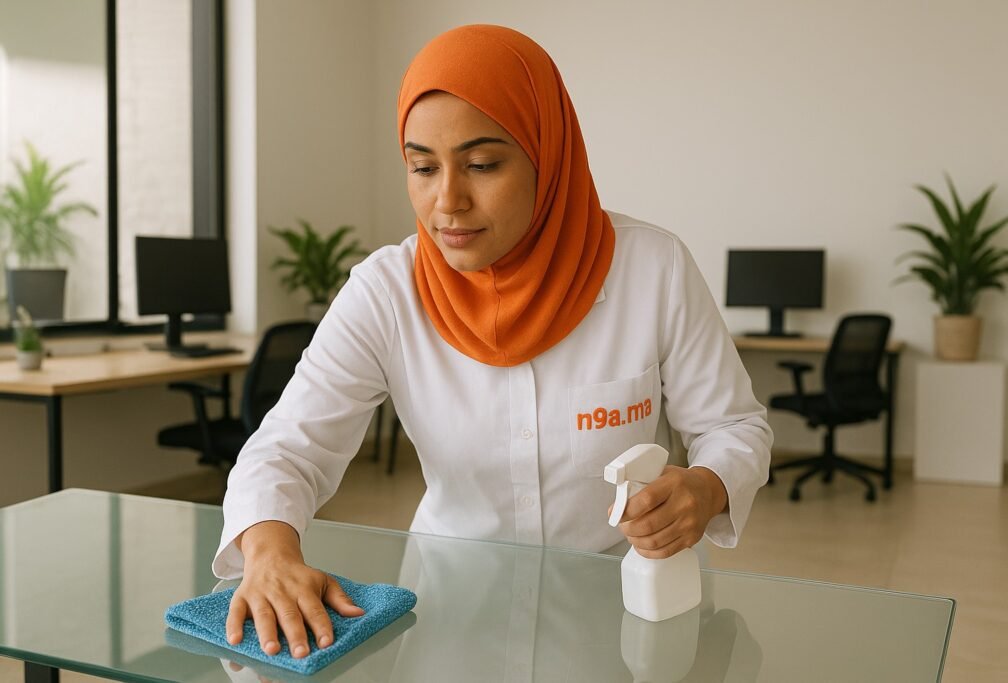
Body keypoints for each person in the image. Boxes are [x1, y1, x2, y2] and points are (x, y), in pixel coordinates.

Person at [216, 24, 772, 660]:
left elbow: (735, 428)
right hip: (450, 624)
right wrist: (269, 552)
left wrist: (706, 487)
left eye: (482, 165)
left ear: (546, 154)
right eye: (422, 167)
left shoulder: (655, 269)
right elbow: (287, 447)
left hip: (624, 626)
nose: (447, 200)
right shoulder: (386, 292)